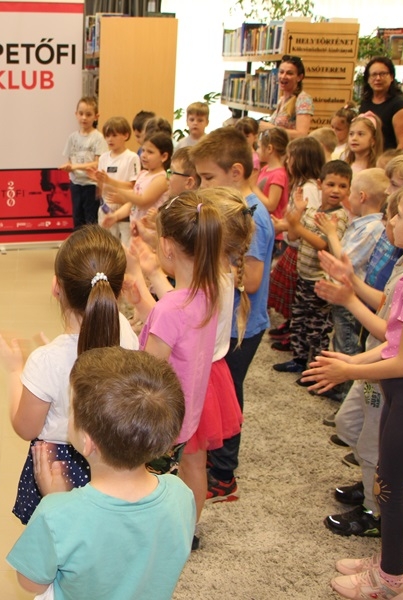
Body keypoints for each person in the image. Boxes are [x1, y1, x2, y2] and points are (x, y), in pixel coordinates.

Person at [303, 182, 403, 599]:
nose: (391, 221)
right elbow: (392, 341)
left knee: (391, 488)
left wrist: (351, 371)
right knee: (386, 480)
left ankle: (391, 580)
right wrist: (351, 362)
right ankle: (387, 560)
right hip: (402, 392)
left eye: (398, 216)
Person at [6, 347, 195, 600]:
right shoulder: (181, 494)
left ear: (87, 442)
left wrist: (57, 501)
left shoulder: (55, 514)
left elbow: (31, 583)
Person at [0, 225, 138, 525]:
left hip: (60, 468)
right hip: (114, 456)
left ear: (56, 286)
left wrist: (16, 370)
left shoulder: (46, 361)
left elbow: (26, 427)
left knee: (57, 538)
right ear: (118, 290)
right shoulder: (124, 329)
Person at [123, 192, 221, 546]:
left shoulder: (171, 308)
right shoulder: (209, 292)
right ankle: (188, 530)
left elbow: (148, 369)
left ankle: (153, 537)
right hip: (191, 406)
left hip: (163, 415)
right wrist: (142, 302)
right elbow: (177, 330)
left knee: (149, 480)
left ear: (166, 246)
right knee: (194, 466)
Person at [314, 190, 403, 538]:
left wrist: (349, 298)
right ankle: (370, 481)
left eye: (396, 216)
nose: (389, 221)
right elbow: (384, 302)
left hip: (384, 368)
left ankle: (374, 512)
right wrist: (351, 280)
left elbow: (393, 335)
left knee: (372, 444)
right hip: (372, 359)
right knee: (349, 425)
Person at [189, 127, 275, 504]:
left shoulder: (253, 216)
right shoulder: (234, 208)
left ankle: (224, 475)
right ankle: (210, 458)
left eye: (208, 178)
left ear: (236, 172)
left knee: (228, 397)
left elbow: (251, 281)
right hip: (229, 322)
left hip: (243, 328)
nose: (202, 186)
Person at [315, 168, 388, 403]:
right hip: (347, 294)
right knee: (340, 339)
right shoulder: (362, 223)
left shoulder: (372, 228)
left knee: (348, 343)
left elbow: (345, 259)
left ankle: (345, 391)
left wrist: (331, 234)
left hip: (353, 297)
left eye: (351, 192)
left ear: (362, 196)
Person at [273, 160, 351, 376]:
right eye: (331, 184)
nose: (336, 190)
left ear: (349, 190)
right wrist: (298, 214)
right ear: (319, 184)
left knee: (317, 328)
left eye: (342, 186)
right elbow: (293, 236)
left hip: (320, 281)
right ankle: (299, 360)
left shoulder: (339, 217)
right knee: (299, 320)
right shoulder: (312, 211)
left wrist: (297, 226)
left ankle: (315, 370)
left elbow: (323, 244)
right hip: (304, 277)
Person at [266, 136, 325, 344]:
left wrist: (284, 225)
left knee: (294, 293)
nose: (287, 162)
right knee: (287, 290)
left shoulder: (309, 188)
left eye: (290, 157)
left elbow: (307, 221)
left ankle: (295, 332)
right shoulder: (300, 184)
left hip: (301, 249)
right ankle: (291, 324)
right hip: (292, 244)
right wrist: (284, 223)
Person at [90, 131, 171, 229]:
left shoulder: (161, 179)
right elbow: (132, 204)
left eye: (150, 152)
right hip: (136, 228)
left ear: (164, 156)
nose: (144, 155)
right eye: (143, 150)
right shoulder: (143, 174)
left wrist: (116, 189)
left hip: (149, 230)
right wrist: (116, 216)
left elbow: (142, 201)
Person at [60, 96, 106, 228]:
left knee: (90, 220)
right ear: (76, 114)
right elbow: (70, 159)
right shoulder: (72, 137)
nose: (84, 118)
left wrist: (75, 166)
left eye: (88, 114)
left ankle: (91, 242)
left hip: (91, 185)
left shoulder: (98, 138)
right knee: (77, 218)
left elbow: (97, 163)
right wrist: (69, 167)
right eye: (81, 114)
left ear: (96, 116)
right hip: (76, 184)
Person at [96, 116, 140, 245]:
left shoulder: (132, 157)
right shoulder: (103, 158)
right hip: (106, 207)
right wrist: (97, 180)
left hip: (125, 207)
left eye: (114, 135)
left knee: (126, 245)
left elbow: (133, 185)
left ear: (125, 135)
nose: (110, 139)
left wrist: (110, 181)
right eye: (107, 136)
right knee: (106, 244)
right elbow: (101, 186)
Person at [359, 57, 403, 150]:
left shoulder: (398, 105)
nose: (378, 78)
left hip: (388, 157)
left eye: (383, 74)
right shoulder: (365, 103)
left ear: (391, 77)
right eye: (374, 74)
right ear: (368, 79)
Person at [259, 54, 313, 139]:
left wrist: (270, 128)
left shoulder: (303, 99)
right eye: (281, 72)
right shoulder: (281, 100)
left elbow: (302, 134)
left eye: (289, 73)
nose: (283, 76)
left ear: (299, 77)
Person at [256, 127, 289, 215]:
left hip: (273, 221)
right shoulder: (265, 168)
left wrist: (253, 188)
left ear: (269, 149)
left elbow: (271, 206)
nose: (257, 151)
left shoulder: (278, 175)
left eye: (259, 147)